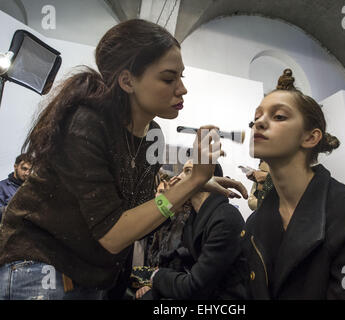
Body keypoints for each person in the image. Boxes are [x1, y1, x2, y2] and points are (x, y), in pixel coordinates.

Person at [0, 19, 247, 300]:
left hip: (90, 275)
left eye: (182, 77)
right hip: (41, 268)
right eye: (168, 78)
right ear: (128, 80)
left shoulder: (151, 134)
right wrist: (193, 181)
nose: (182, 89)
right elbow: (114, 234)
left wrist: (194, 184)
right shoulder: (87, 123)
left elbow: (140, 214)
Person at [240, 69, 345, 299]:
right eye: (255, 118)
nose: (258, 124)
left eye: (279, 116)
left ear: (310, 137)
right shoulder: (256, 224)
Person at [136, 160, 247, 300]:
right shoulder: (191, 216)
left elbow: (195, 287)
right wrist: (169, 198)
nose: (179, 177)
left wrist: (157, 277)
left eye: (187, 171)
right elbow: (144, 227)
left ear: (208, 176)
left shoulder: (224, 218)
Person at [0, 153, 32, 220]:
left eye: (30, 170)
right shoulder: (2, 187)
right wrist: (17, 209)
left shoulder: (33, 188)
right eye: (24, 169)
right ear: (15, 167)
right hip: (9, 228)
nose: (27, 173)